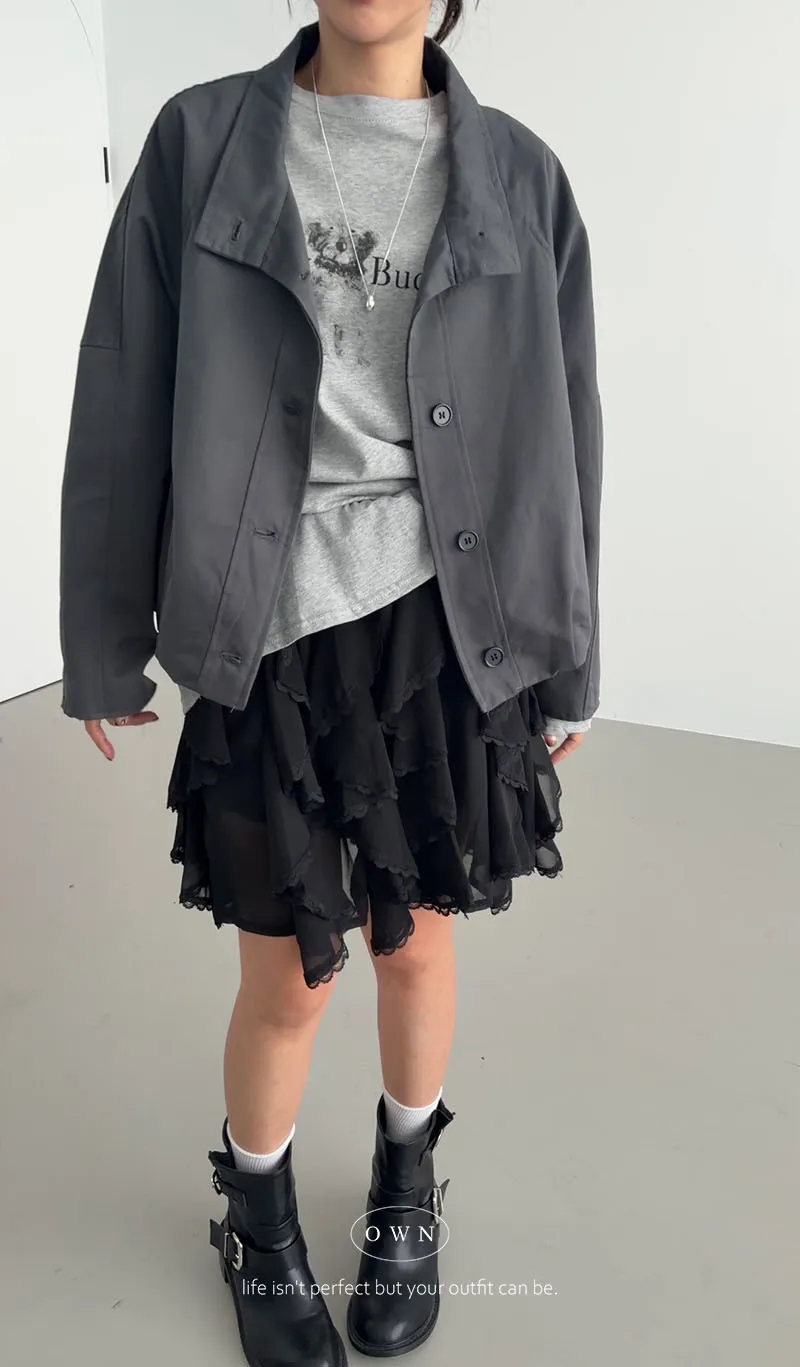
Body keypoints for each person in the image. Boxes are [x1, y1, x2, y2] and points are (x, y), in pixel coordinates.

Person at [59, 2, 602, 1362]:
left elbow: (565, 429)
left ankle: (407, 1179)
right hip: (270, 625)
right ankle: (256, 1208)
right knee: (288, 976)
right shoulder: (202, 143)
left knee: (417, 943)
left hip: (450, 630)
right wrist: (103, 639)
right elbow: (123, 388)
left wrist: (569, 661)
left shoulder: (521, 175)